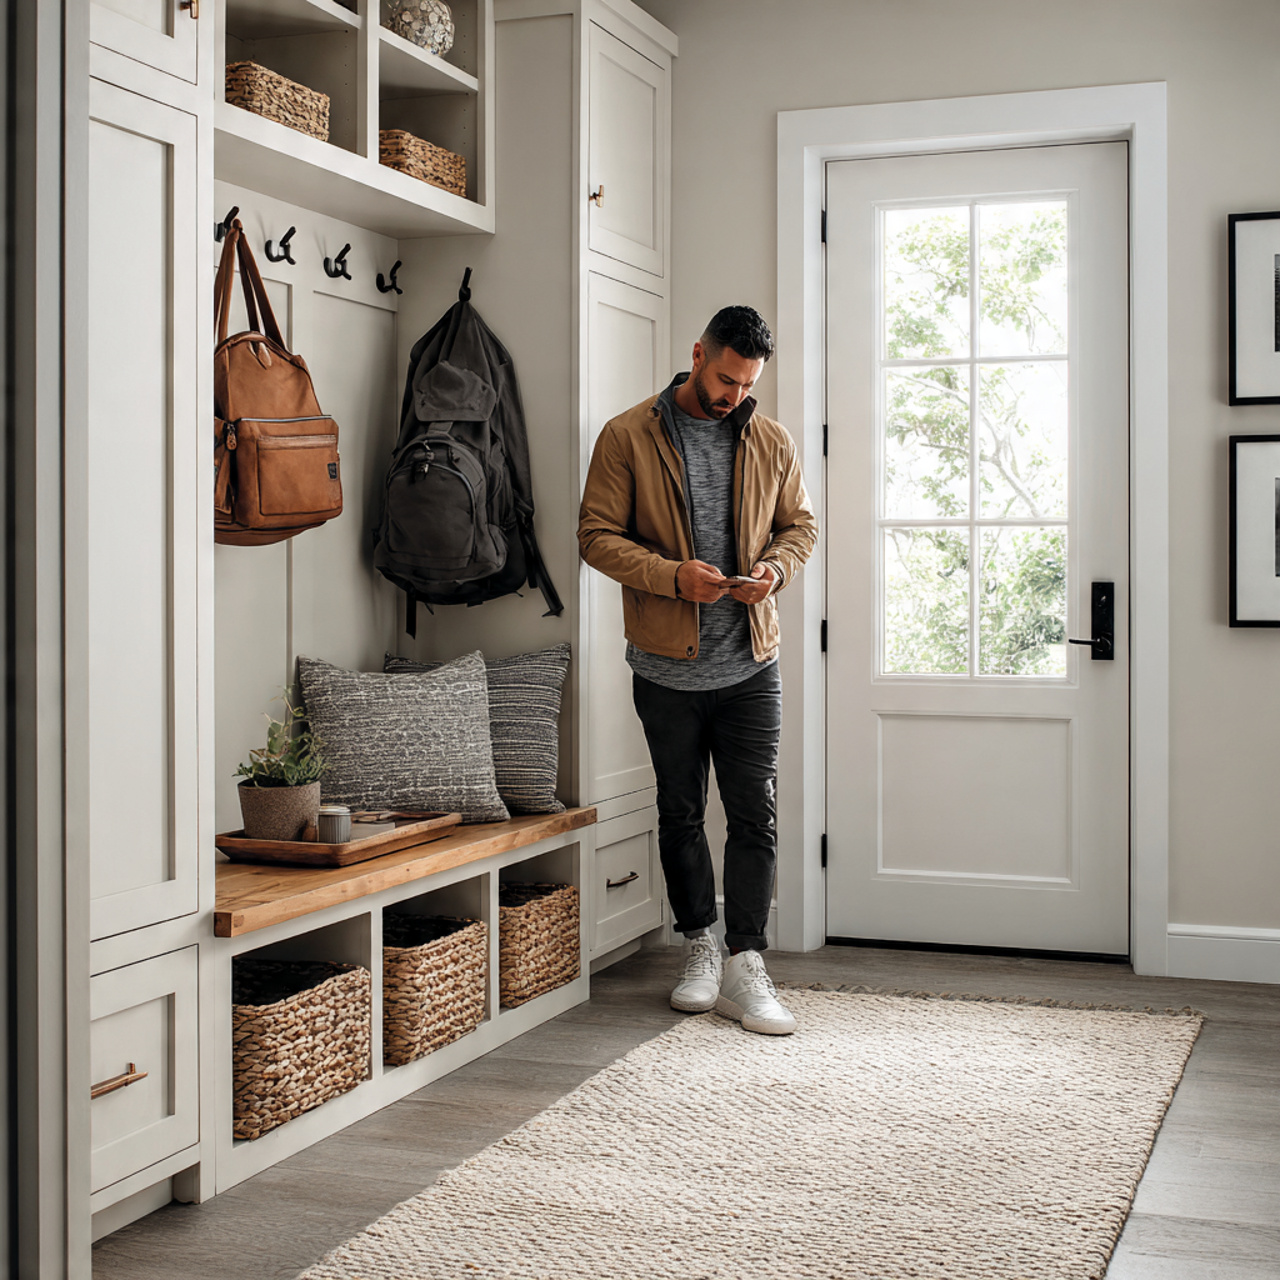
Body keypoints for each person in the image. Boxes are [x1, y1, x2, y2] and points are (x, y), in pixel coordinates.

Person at [578, 306, 818, 1035]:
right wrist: (671, 576)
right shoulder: (627, 435)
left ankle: (747, 963)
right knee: (679, 812)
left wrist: (774, 571)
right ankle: (700, 947)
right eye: (725, 379)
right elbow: (595, 536)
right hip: (665, 669)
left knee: (754, 814)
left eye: (747, 384)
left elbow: (799, 527)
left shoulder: (771, 439)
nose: (734, 395)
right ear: (696, 356)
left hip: (751, 664)